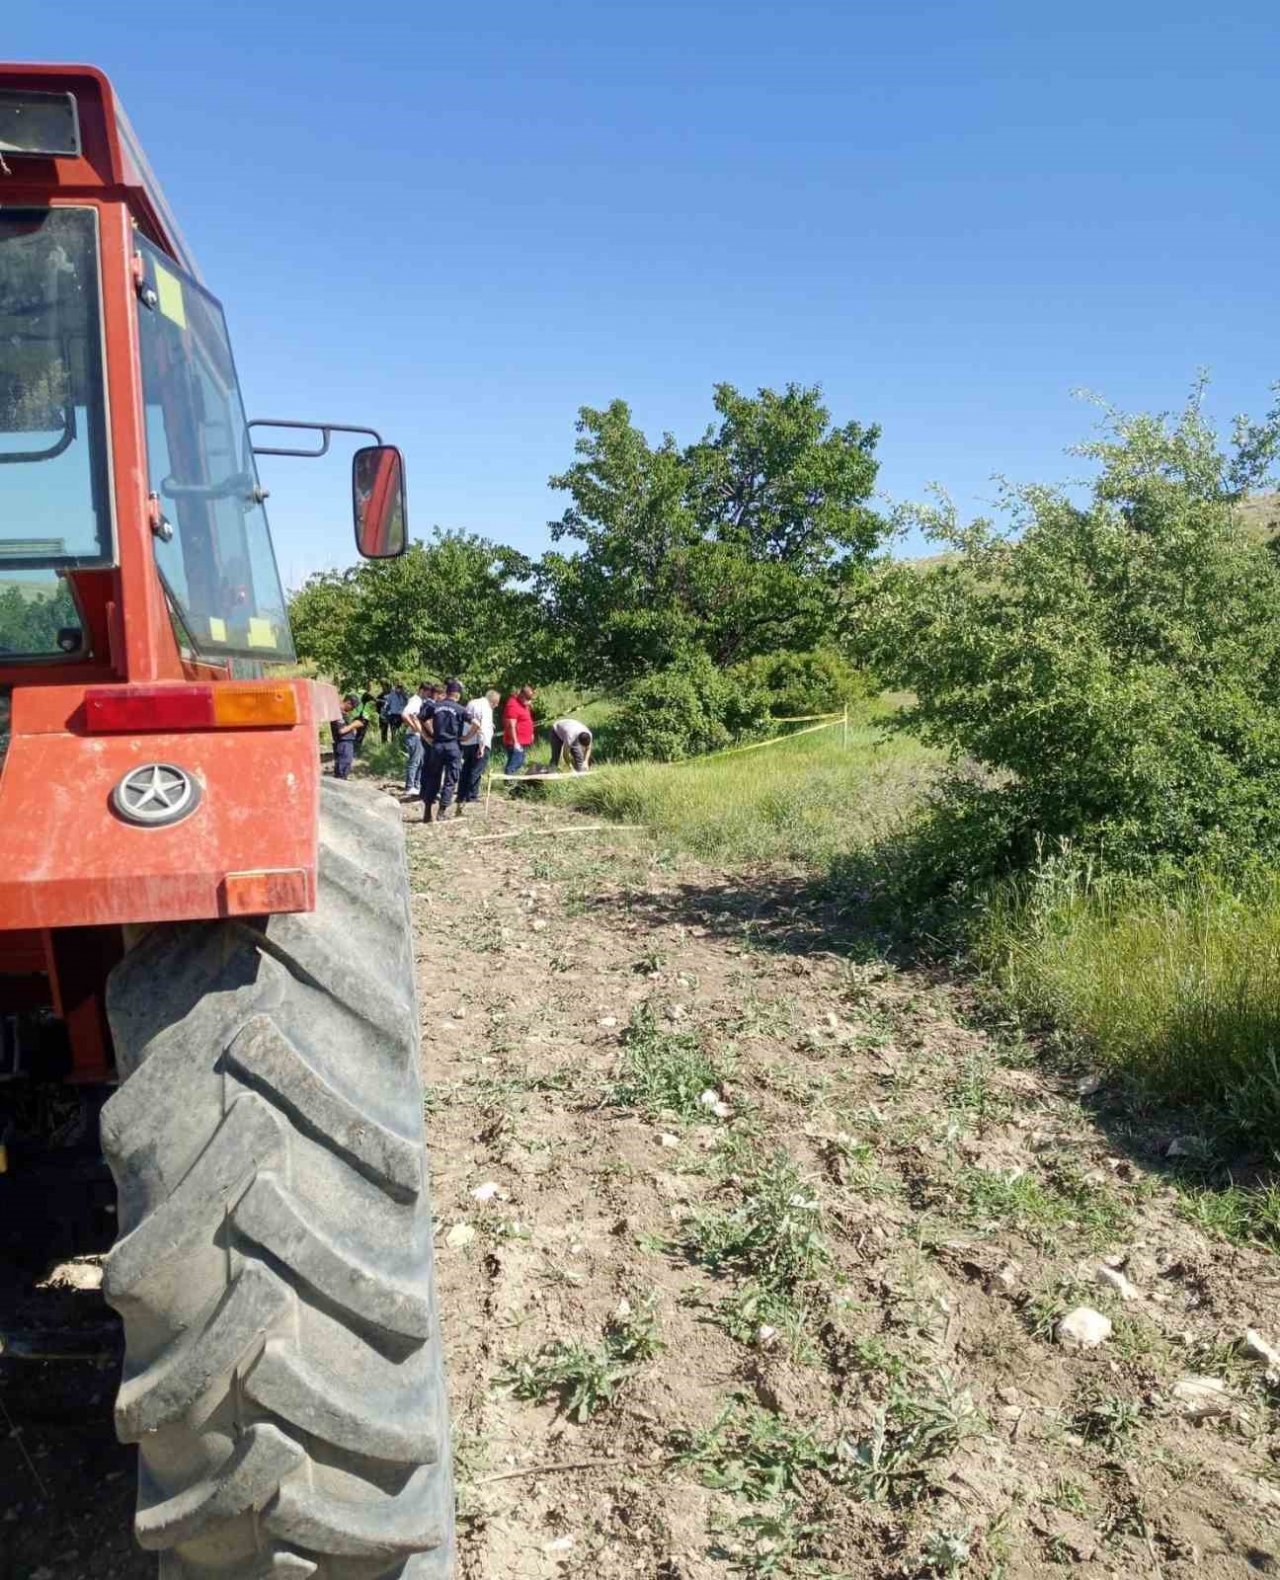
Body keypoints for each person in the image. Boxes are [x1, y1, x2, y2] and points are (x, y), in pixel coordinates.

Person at [421, 679, 469, 822]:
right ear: (458, 695)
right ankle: (441, 812)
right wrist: (466, 737)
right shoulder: (461, 709)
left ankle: (427, 812)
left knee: (433, 777)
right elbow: (477, 723)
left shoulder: (435, 706)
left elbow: (420, 718)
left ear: (447, 693)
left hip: (437, 745)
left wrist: (426, 736)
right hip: (453, 746)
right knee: (450, 779)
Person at [458, 687, 500, 811]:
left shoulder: (472, 703)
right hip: (479, 742)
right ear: (493, 701)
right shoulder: (486, 708)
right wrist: (482, 746)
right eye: (497, 703)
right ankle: (471, 795)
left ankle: (461, 794)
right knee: (476, 770)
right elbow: (481, 728)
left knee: (466, 768)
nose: (497, 705)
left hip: (468, 742)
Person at [401, 681, 434, 799]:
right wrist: (415, 728)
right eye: (427, 693)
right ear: (422, 690)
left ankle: (416, 784)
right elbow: (405, 714)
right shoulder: (415, 701)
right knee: (414, 761)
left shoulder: (420, 701)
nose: (428, 695)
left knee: (420, 761)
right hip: (413, 735)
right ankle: (409, 787)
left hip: (418, 736)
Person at [502, 685, 536, 776]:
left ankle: (509, 780)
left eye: (530, 699)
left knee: (519, 761)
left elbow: (527, 720)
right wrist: (515, 742)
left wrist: (531, 733)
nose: (529, 701)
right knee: (516, 762)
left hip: (523, 740)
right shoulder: (513, 704)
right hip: (515, 741)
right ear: (521, 695)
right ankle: (508, 781)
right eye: (528, 698)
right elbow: (511, 725)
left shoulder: (523, 705)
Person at [331, 696, 361, 779]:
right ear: (348, 702)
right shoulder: (338, 713)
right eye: (353, 707)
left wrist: (353, 727)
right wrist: (354, 724)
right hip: (343, 743)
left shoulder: (343, 713)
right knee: (342, 769)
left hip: (346, 742)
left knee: (344, 767)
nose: (352, 709)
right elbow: (341, 730)